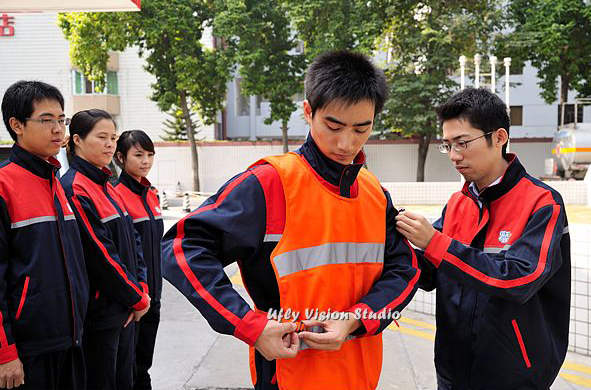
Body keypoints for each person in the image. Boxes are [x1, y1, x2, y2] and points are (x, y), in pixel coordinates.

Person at [162, 50, 420, 390]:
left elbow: (404, 269)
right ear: (308, 111)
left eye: (362, 128)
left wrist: (354, 321)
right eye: (333, 125)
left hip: (360, 372)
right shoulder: (270, 184)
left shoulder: (374, 193)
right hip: (288, 374)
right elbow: (181, 247)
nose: (347, 143)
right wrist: (248, 324)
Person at [395, 88, 570, 390]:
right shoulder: (458, 203)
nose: (453, 156)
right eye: (447, 145)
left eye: (462, 143)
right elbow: (429, 272)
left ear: (499, 137)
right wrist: (392, 239)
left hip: (512, 376)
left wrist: (434, 243)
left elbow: (519, 280)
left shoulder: (542, 203)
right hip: (452, 370)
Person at [0, 80, 89, 389]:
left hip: (71, 339)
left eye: (61, 120)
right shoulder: (4, 186)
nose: (58, 129)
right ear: (17, 125)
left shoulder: (55, 183)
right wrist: (5, 352)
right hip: (28, 350)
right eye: (46, 120)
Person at [60, 109, 151, 390]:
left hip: (126, 307)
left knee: (126, 379)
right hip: (101, 314)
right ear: (77, 140)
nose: (110, 144)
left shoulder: (107, 185)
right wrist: (136, 298)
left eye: (113, 137)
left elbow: (134, 241)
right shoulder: (75, 189)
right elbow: (100, 255)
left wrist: (141, 290)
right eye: (102, 137)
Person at [113, 130, 163, 390]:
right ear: (121, 157)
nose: (145, 161)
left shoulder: (151, 193)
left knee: (144, 363)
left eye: (150, 155)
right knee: (128, 368)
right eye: (138, 155)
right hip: (133, 299)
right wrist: (134, 295)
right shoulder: (116, 195)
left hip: (154, 295)